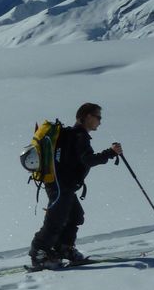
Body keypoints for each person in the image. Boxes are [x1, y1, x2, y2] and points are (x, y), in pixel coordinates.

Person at [29, 103, 122, 269]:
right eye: (98, 117)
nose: (100, 122)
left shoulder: (72, 134)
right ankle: (38, 254)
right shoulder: (79, 136)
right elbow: (88, 159)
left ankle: (63, 248)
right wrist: (110, 152)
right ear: (87, 117)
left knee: (75, 216)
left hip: (63, 185)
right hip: (60, 186)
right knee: (55, 222)